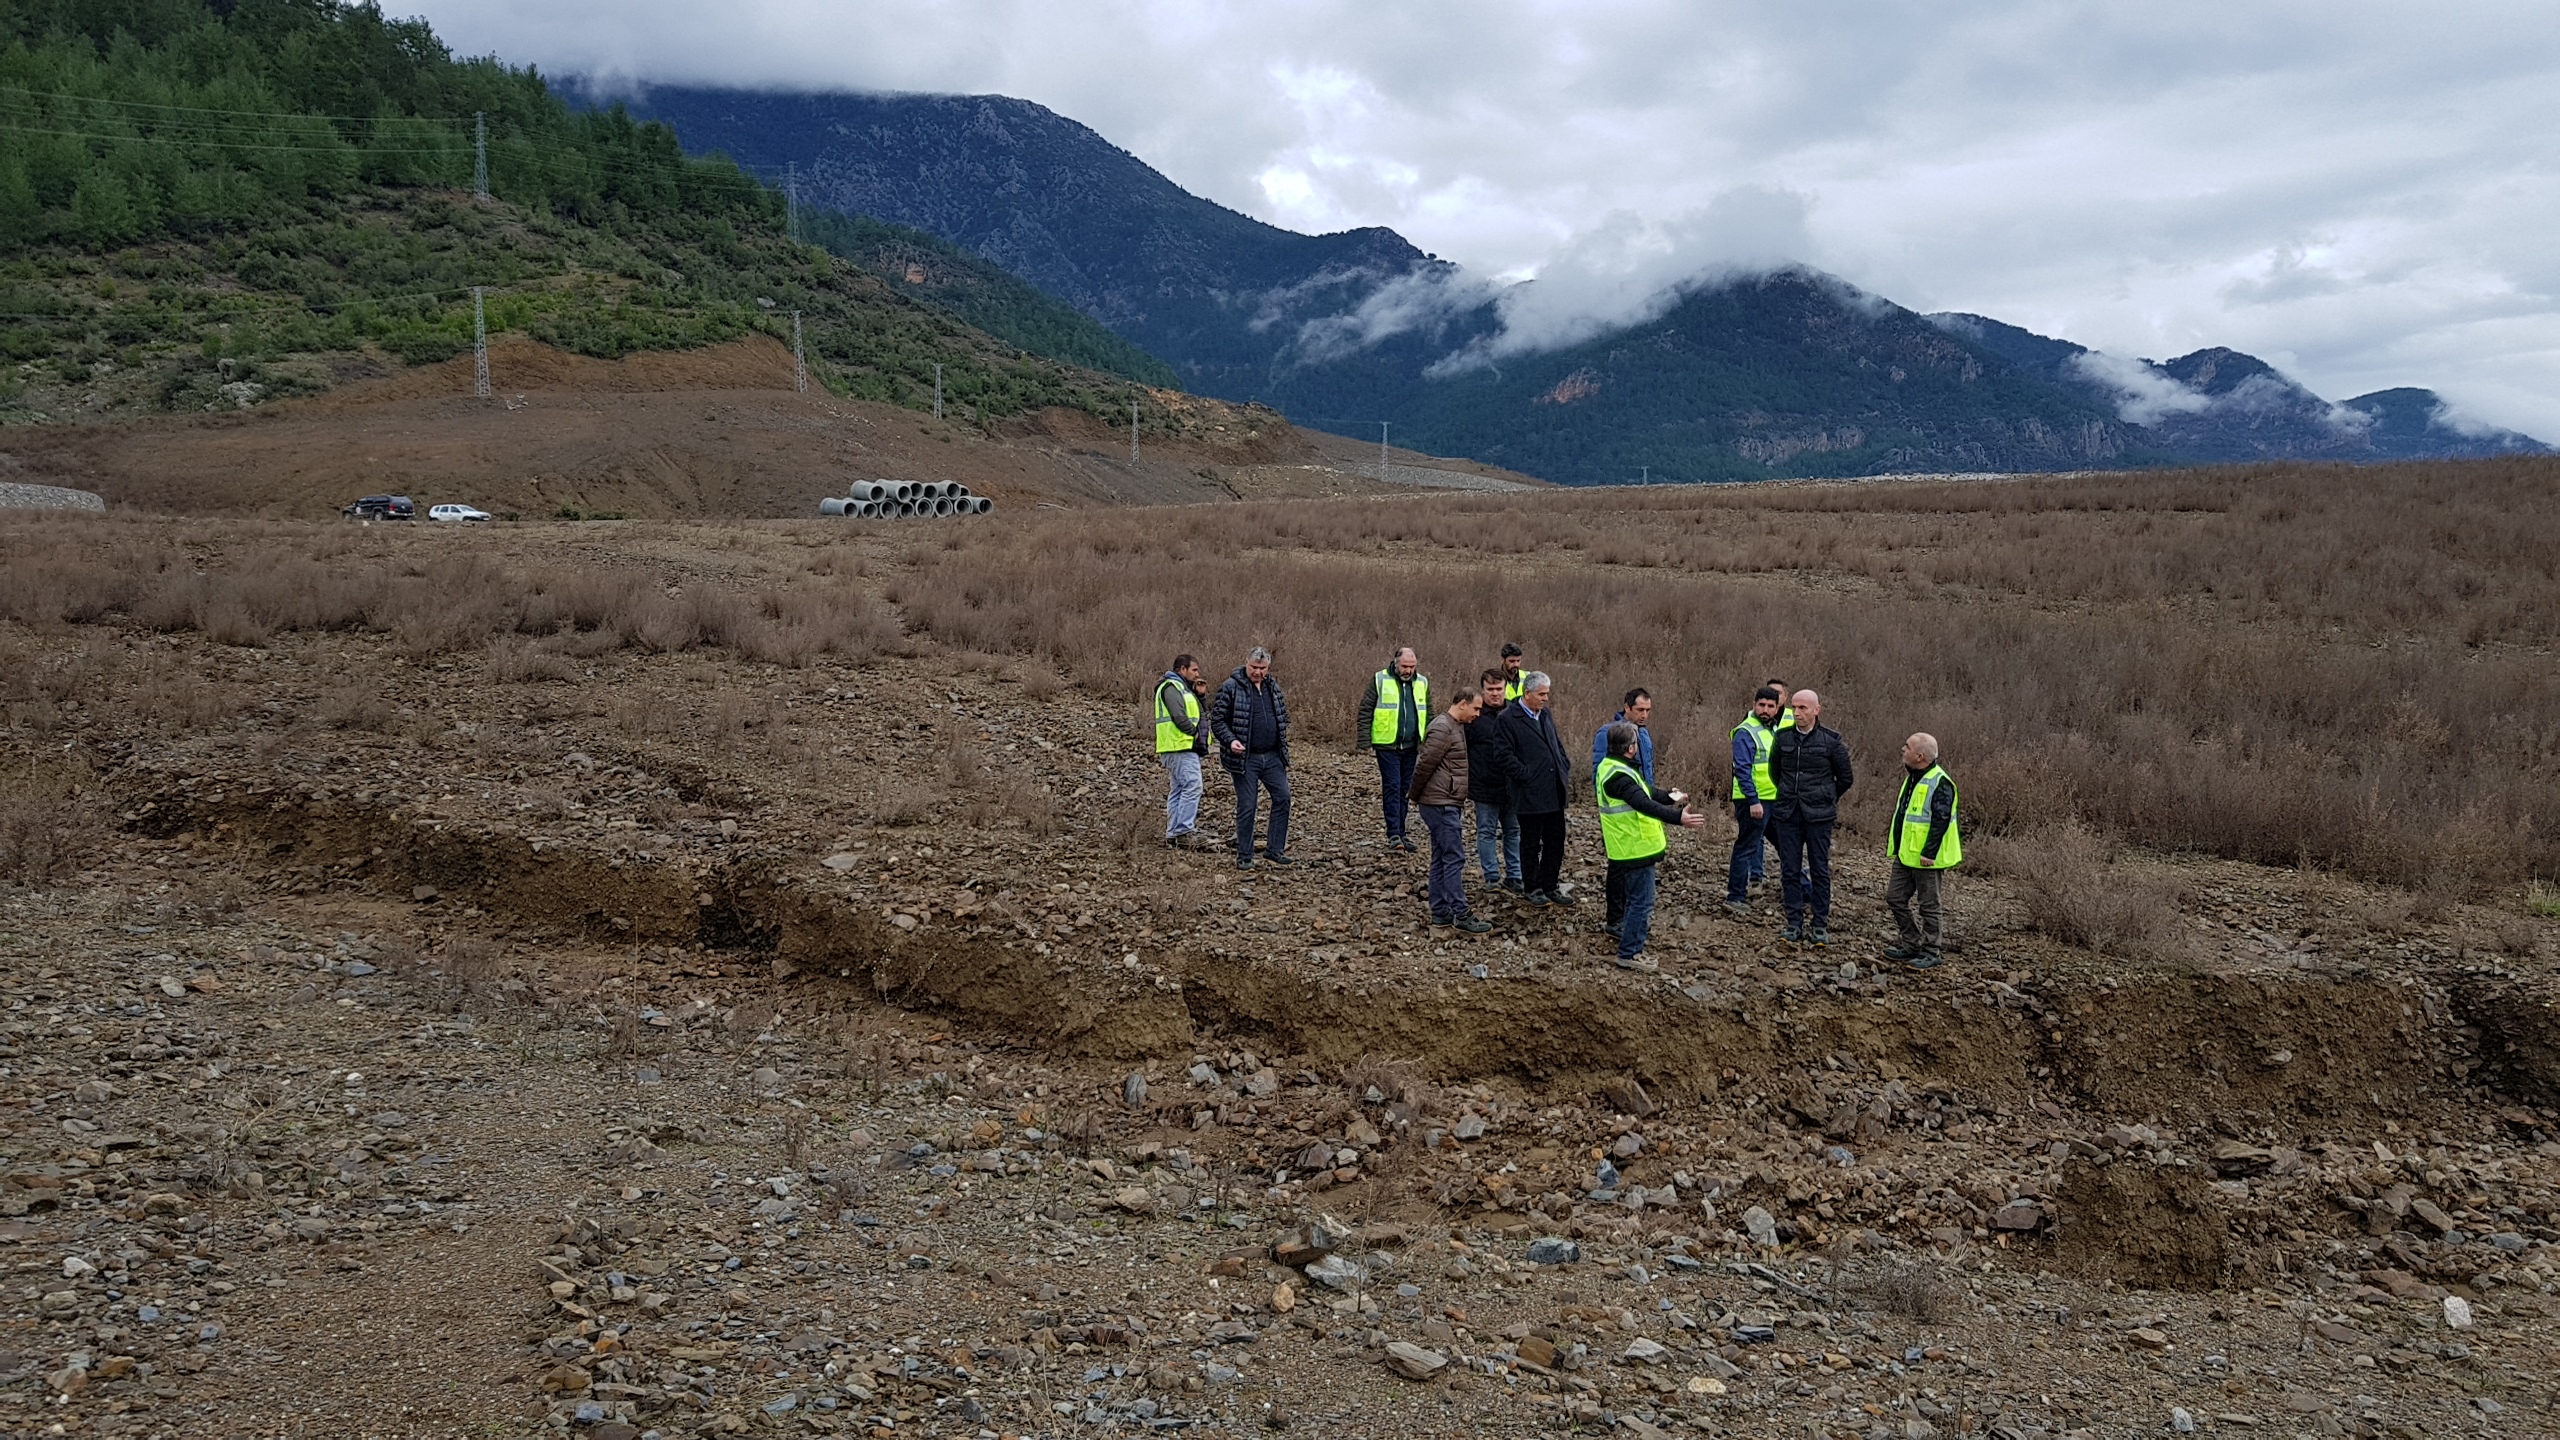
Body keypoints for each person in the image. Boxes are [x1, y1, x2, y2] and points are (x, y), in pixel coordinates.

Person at [1596, 720, 1706, 970]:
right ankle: (1630, 953)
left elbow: (1646, 792)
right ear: (1632, 748)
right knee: (1641, 902)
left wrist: (1671, 796)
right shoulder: (1619, 776)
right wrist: (1678, 817)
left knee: (1637, 900)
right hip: (1634, 848)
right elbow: (1642, 803)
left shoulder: (1613, 767)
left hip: (1630, 846)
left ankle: (1630, 943)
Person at [1769, 689, 1854, 945]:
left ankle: (1819, 924)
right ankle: (1794, 922)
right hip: (1788, 814)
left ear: (1817, 710)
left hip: (1819, 817)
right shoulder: (1782, 738)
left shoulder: (1832, 742)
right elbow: (1775, 773)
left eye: (1803, 708)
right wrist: (1788, 794)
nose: (1797, 713)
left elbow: (1846, 779)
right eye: (1794, 707)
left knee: (1819, 869)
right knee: (1789, 869)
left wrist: (1825, 797)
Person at [1409, 685, 1492, 933]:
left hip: (1444, 801)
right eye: (1476, 708)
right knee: (1454, 858)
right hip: (1441, 804)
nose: (1477, 714)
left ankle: (1440, 912)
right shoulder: (1443, 727)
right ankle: (1460, 912)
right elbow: (1424, 764)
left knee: (1441, 857)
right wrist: (1414, 795)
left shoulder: (1454, 727)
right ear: (1463, 703)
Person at [1209, 647, 1293, 870]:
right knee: (1248, 805)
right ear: (1246, 662)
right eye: (1254, 667)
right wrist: (1230, 741)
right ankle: (1245, 855)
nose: (1257, 672)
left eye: (1262, 668)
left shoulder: (1272, 686)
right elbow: (1217, 720)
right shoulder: (1230, 687)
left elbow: (1282, 716)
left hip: (1273, 756)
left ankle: (1275, 849)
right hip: (1245, 758)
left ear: (1268, 668)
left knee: (1283, 798)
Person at [1884, 732, 1962, 970]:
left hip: (1928, 858)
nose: (1902, 749)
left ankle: (1931, 950)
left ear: (1920, 756)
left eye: (1907, 747)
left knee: (1929, 904)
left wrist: (1929, 852)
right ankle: (1911, 942)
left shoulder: (1940, 782)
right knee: (1895, 897)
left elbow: (1941, 820)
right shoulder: (1914, 778)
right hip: (1907, 854)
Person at [1498, 671, 1575, 906]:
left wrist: (1563, 763)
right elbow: (1502, 755)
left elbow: (1556, 744)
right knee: (1531, 843)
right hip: (1529, 793)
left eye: (1547, 694)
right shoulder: (1508, 718)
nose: (1545, 699)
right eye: (1541, 694)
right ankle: (1532, 886)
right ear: (1527, 693)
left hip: (1553, 790)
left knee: (1555, 840)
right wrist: (1525, 774)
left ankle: (1550, 884)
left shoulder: (1545, 715)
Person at [1359, 647, 1429, 853]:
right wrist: (1364, 740)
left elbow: (1429, 712)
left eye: (1412, 666)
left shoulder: (1422, 682)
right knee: (1392, 786)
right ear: (1396, 663)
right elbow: (1366, 709)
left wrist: (1430, 741)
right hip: (1386, 744)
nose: (1408, 670)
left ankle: (1402, 830)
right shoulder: (1380, 679)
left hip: (1411, 745)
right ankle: (1394, 833)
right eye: (1405, 666)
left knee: (1405, 789)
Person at [1724, 685, 1783, 916]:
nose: (1765, 710)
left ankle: (1802, 890)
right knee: (1746, 847)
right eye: (1762, 705)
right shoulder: (1745, 731)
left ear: (1777, 708)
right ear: (1754, 704)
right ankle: (1735, 896)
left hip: (1772, 799)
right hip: (1753, 802)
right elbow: (1742, 769)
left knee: (1787, 847)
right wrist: (1753, 800)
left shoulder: (1771, 730)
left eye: (1770, 706)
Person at [1465, 669, 1522, 893]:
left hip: (1512, 785)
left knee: (1514, 831)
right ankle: (1491, 876)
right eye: (1491, 689)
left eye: (1499, 689)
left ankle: (1515, 875)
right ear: (1483, 690)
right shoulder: (1475, 716)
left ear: (1506, 688)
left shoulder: (1516, 713)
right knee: (1486, 832)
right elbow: (1464, 749)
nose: (1495, 694)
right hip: (1484, 785)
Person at [1152, 654, 1210, 847]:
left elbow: (1198, 713)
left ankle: (1174, 833)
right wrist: (1193, 733)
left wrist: (1200, 696)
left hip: (1180, 746)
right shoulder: (1171, 687)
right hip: (1179, 746)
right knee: (1193, 785)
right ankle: (1183, 830)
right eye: (1194, 670)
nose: (1197, 674)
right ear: (1182, 669)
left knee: (1179, 789)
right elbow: (1179, 715)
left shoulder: (1184, 689)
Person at [1589, 688, 1655, 785]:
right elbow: (1599, 774)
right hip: (1621, 797)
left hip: (1644, 797)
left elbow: (1649, 770)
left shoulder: (1644, 734)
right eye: (1640, 710)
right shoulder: (1607, 732)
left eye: (1647, 710)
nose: (1644, 715)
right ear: (1627, 708)